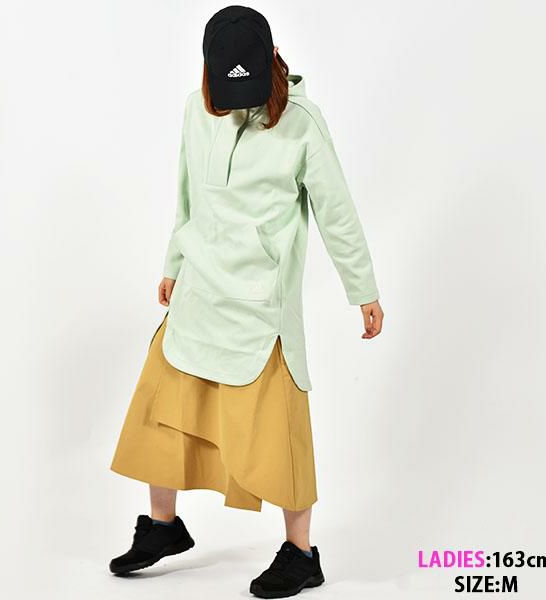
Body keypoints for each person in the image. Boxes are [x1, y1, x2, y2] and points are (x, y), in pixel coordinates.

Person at [108, 5, 384, 598]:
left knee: (280, 431)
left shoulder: (303, 124)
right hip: (199, 291)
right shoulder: (195, 109)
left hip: (261, 307)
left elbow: (336, 211)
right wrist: (173, 264)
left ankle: (301, 554)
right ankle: (163, 526)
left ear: (271, 62)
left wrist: (362, 289)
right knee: (162, 408)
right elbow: (187, 197)